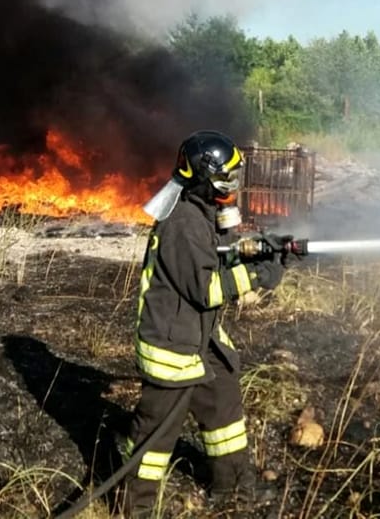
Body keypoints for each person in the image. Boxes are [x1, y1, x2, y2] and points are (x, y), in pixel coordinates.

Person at [120, 130, 289, 516]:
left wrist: (264, 248)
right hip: (172, 348)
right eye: (225, 177)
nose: (232, 185)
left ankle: (232, 492)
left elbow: (221, 255)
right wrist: (258, 276)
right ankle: (135, 509)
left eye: (235, 176)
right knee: (153, 441)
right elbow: (207, 289)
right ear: (201, 176)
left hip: (201, 341)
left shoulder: (201, 211)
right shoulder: (182, 223)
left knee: (225, 414)